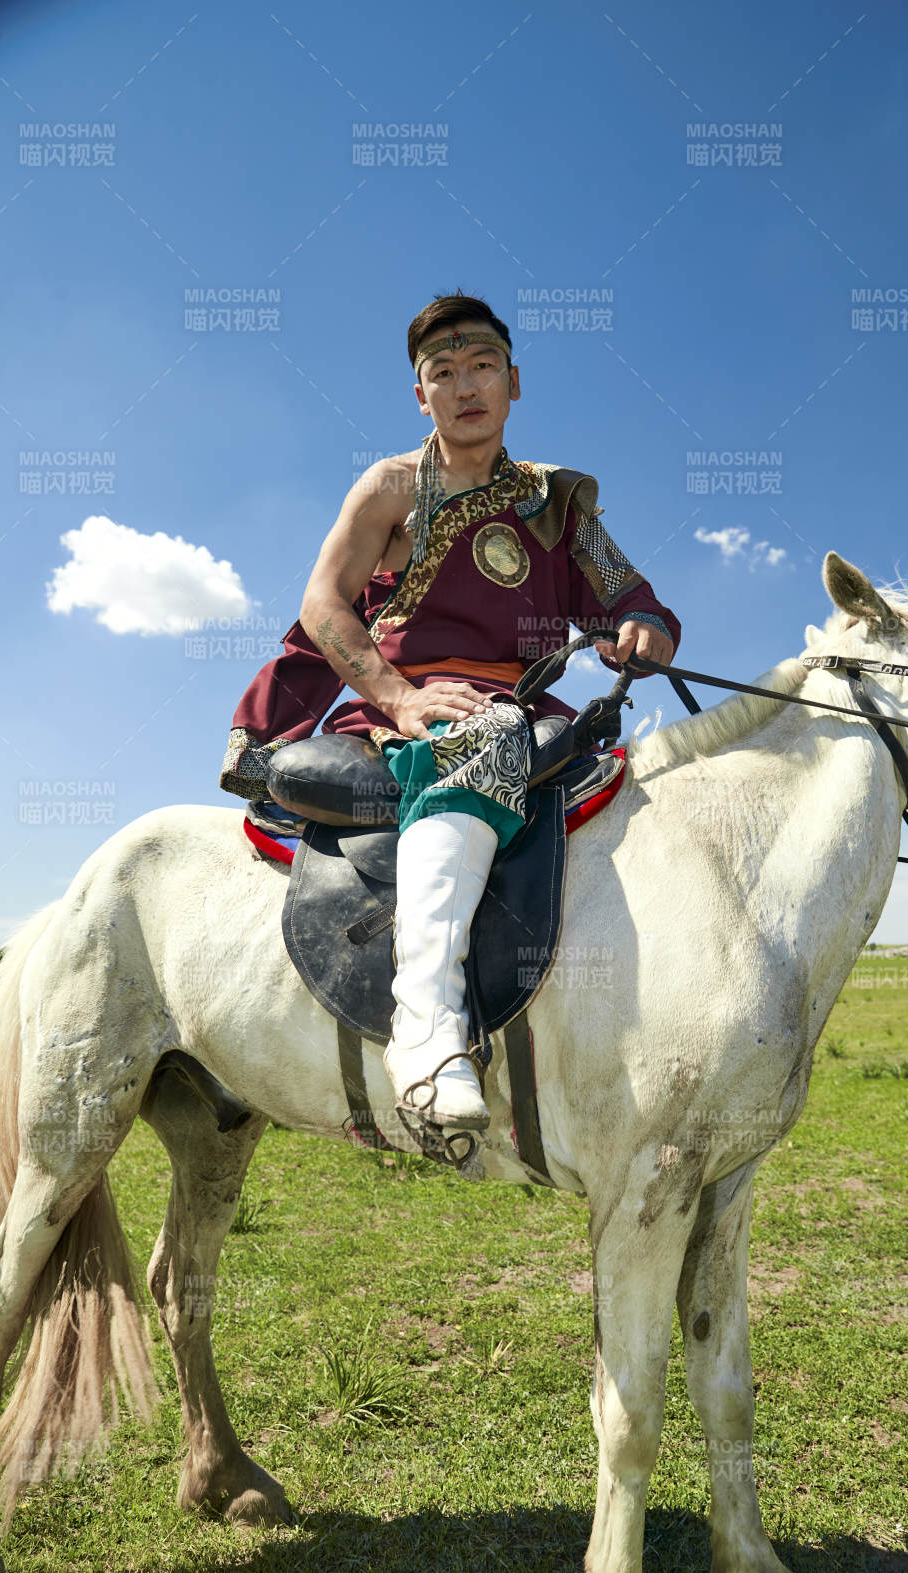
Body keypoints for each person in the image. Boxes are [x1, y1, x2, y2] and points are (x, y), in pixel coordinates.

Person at [219, 292, 681, 1154]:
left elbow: (626, 592)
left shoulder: (559, 501)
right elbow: (323, 606)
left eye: (481, 368)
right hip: (409, 706)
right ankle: (426, 1031)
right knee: (478, 742)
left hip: (528, 703)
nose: (464, 385)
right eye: (442, 373)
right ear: (420, 396)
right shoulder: (390, 486)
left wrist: (644, 628)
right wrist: (397, 698)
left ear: (513, 381)